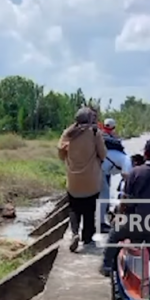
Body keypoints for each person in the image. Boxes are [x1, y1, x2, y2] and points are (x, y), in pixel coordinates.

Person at [100, 138, 150, 300]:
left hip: (135, 222)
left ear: (145, 153)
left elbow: (125, 202)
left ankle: (105, 266)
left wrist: (120, 218)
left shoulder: (135, 173)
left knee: (114, 235)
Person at [58, 107, 107, 252]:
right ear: (90, 119)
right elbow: (103, 154)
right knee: (89, 210)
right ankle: (87, 238)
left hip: (73, 180)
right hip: (91, 180)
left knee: (74, 208)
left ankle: (74, 233)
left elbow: (61, 154)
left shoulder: (68, 133)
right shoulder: (94, 133)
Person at [98, 118, 131, 233]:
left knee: (100, 196)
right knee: (104, 196)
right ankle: (100, 224)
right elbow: (126, 177)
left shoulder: (101, 136)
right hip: (101, 171)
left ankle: (99, 220)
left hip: (97, 168)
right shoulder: (127, 159)